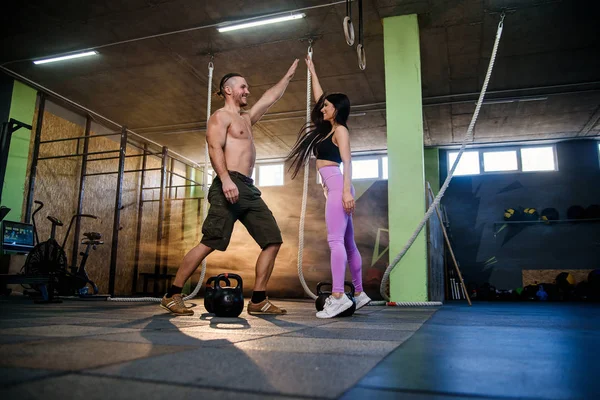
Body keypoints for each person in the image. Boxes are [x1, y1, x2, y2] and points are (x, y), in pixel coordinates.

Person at [161, 59, 299, 316]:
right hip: (228, 184)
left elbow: (270, 98)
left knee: (272, 240)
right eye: (243, 87)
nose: (247, 91)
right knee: (210, 242)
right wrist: (224, 179)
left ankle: (258, 300)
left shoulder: (245, 119)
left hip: (248, 189)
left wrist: (289, 76)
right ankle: (172, 294)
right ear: (228, 90)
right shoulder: (220, 117)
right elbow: (214, 148)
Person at [286, 56, 371, 318]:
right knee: (347, 243)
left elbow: (347, 161)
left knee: (335, 241)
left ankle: (337, 296)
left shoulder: (341, 131)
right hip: (333, 187)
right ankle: (359, 292)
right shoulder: (326, 128)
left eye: (327, 106)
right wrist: (313, 70)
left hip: (339, 187)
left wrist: (345, 191)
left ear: (337, 110)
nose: (323, 108)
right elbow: (319, 98)